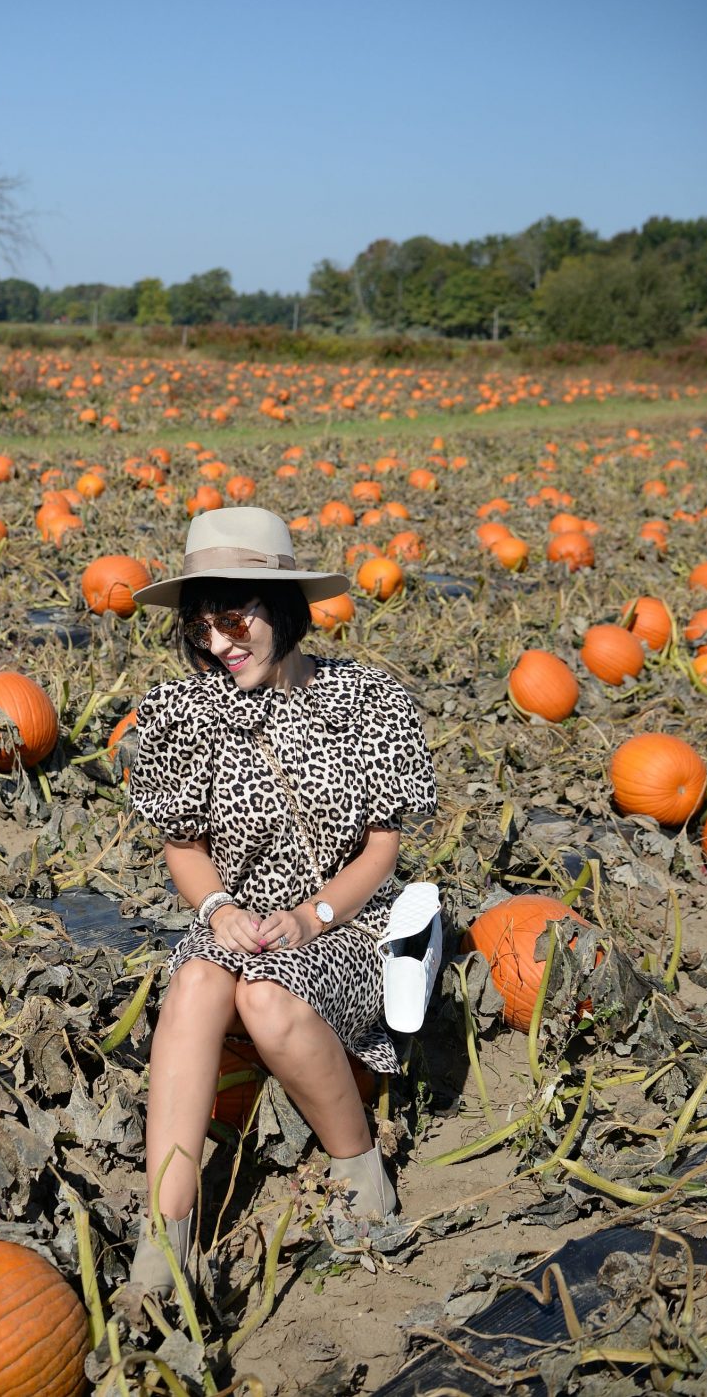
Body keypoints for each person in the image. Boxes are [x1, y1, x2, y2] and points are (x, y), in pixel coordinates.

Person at [126, 506, 437, 1295]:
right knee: (198, 979)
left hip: (350, 921)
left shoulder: (365, 700)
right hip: (241, 918)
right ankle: (164, 1232)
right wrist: (217, 910)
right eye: (202, 628)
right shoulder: (183, 713)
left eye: (234, 621)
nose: (218, 645)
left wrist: (311, 917)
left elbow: (382, 844)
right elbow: (183, 844)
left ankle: (358, 1171)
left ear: (285, 610)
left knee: (264, 997)